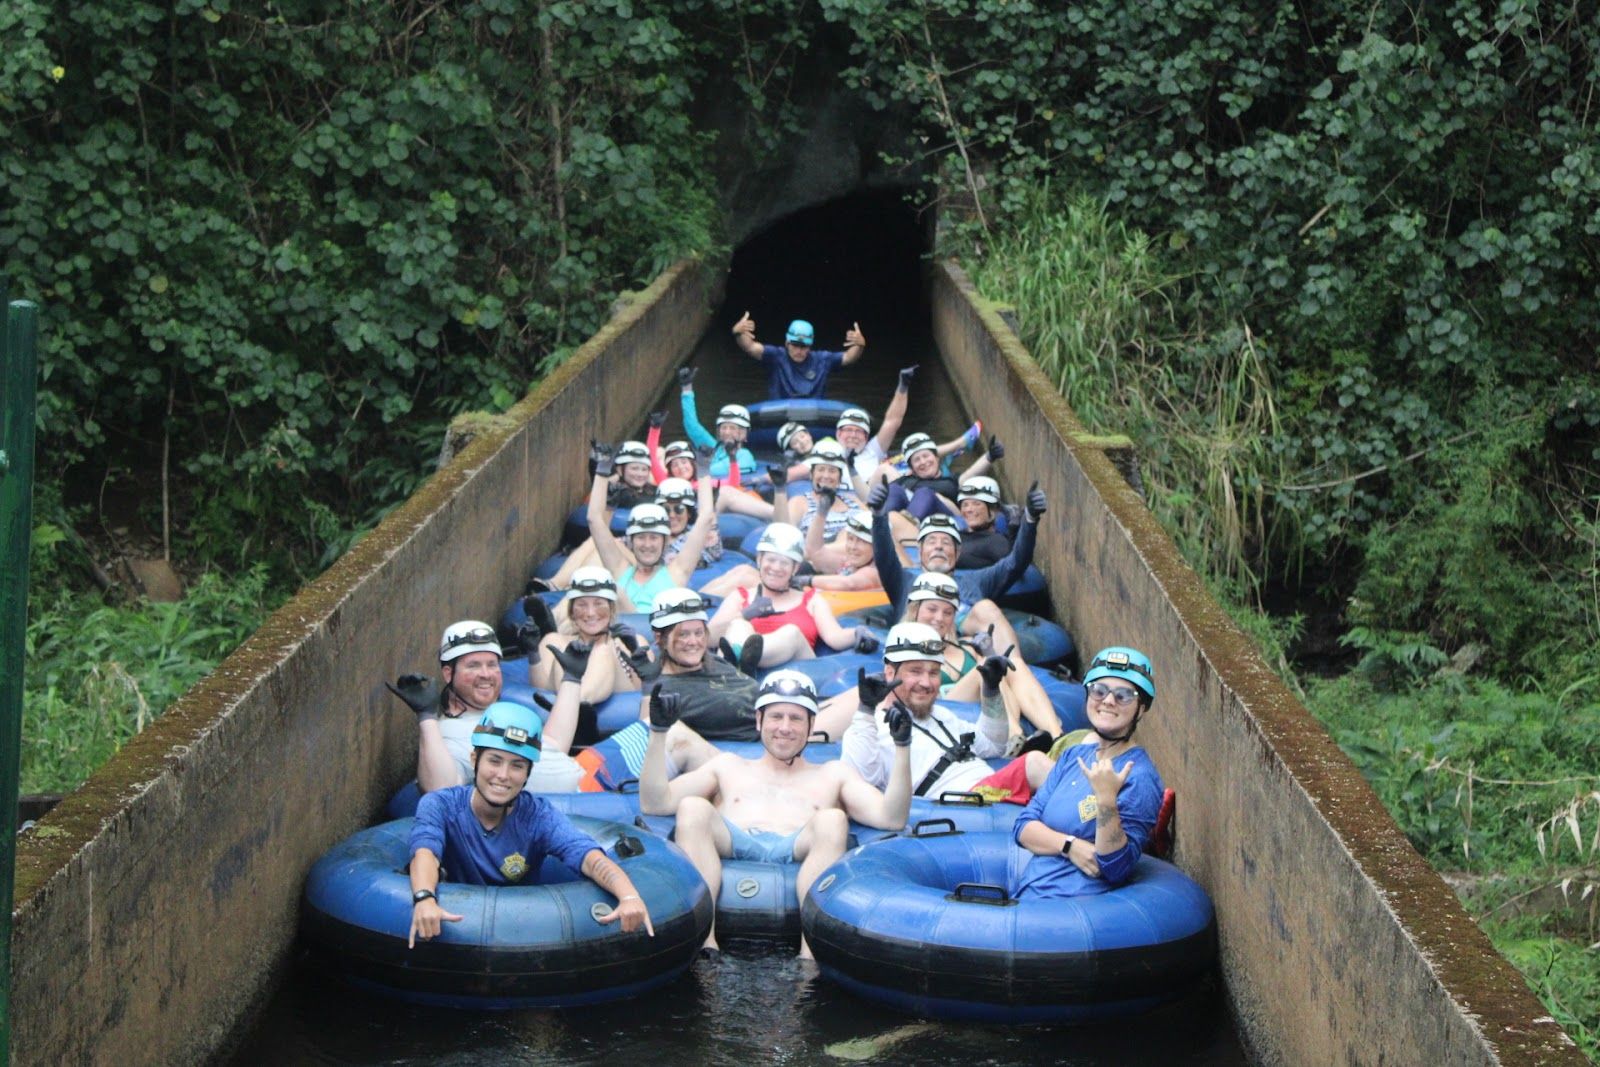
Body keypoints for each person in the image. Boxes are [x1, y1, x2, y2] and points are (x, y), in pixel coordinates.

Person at [639, 671, 912, 957]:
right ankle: (705, 944)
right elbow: (656, 803)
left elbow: (891, 818)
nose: (785, 727)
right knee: (692, 807)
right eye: (776, 716)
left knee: (833, 819)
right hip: (734, 838)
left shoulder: (834, 774)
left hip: (798, 843)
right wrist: (659, 732)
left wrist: (902, 746)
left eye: (795, 718)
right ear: (759, 721)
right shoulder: (728, 765)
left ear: (811, 725)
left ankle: (810, 954)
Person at [407, 702, 655, 947]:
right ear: (475, 760)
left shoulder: (539, 816)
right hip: (458, 931)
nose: (503, 775)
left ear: (527, 773)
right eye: (495, 761)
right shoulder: (440, 804)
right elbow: (426, 852)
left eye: (517, 765)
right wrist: (424, 897)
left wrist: (629, 895)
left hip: (524, 934)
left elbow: (589, 857)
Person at [869, 481, 1049, 719]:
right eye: (932, 542)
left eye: (946, 543)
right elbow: (884, 554)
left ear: (958, 553)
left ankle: (1015, 682)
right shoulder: (903, 580)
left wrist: (1030, 519)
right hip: (923, 663)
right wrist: (879, 515)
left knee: (986, 611)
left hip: (969, 657)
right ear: (920, 551)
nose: (939, 548)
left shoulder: (976, 580)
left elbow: (1015, 562)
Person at [1012, 647, 1164, 899]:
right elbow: (1023, 826)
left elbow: (1115, 867)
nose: (1108, 701)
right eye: (1099, 690)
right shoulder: (1074, 756)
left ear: (1142, 707)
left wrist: (1106, 801)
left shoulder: (1139, 777)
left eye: (1124, 695)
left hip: (1073, 907)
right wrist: (1069, 846)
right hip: (1031, 895)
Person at [841, 622, 1011, 797]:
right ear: (890, 673)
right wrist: (866, 709)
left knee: (1034, 764)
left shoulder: (942, 716)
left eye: (934, 673)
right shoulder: (870, 729)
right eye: (915, 671)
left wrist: (991, 690)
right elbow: (859, 785)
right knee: (1034, 762)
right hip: (963, 805)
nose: (926, 683)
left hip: (995, 794)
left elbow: (994, 745)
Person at [895, 571, 1061, 740]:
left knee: (1013, 662)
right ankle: (1012, 734)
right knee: (985, 668)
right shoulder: (900, 648)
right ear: (915, 609)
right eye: (932, 609)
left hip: (986, 709)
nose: (939, 618)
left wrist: (989, 652)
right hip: (939, 708)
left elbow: (1000, 681)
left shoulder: (967, 645)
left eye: (947, 612)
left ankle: (1057, 736)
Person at [707, 523, 881, 669]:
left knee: (791, 632)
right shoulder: (741, 596)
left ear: (795, 568)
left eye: (784, 563)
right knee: (738, 625)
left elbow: (835, 637)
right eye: (771, 560)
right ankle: (738, 664)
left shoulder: (811, 600)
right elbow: (707, 638)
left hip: (799, 671)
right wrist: (745, 615)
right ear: (759, 560)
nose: (776, 568)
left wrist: (857, 633)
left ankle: (746, 655)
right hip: (750, 673)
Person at [586, 443, 715, 613]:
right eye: (641, 537)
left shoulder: (676, 574)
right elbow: (594, 520)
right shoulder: (619, 569)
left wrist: (703, 469)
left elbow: (705, 518)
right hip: (617, 634)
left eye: (654, 538)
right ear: (631, 542)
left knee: (613, 590)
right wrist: (602, 469)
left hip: (648, 633)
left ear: (665, 541)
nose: (647, 545)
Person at [387, 620, 505, 793]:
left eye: (492, 664)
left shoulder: (513, 714)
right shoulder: (450, 735)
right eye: (473, 666)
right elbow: (441, 789)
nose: (486, 674)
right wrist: (426, 716)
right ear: (448, 674)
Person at [531, 567, 647, 704]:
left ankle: (577, 703)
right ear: (572, 612)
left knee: (602, 650)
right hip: (564, 698)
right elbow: (540, 689)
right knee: (564, 657)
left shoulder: (634, 642)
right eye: (582, 605)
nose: (590, 613)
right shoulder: (554, 641)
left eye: (598, 604)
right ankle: (576, 703)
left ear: (611, 608)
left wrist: (637, 656)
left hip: (618, 703)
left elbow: (642, 694)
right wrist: (533, 653)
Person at [730, 312, 867, 400]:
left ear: (810, 346)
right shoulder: (776, 357)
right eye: (795, 345)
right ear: (787, 343)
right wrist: (738, 332)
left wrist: (859, 345)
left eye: (804, 347)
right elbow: (750, 347)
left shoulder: (822, 360)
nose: (799, 350)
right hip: (779, 416)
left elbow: (848, 357)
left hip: (816, 417)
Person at [832, 364, 915, 482]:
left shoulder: (872, 451)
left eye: (859, 431)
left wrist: (903, 387)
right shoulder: (827, 451)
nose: (853, 435)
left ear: (866, 437)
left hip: (872, 496)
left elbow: (893, 421)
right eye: (848, 430)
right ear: (838, 434)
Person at [677, 368, 758, 483]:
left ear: (743, 433)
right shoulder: (714, 448)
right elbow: (692, 426)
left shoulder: (744, 455)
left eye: (732, 428)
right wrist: (686, 388)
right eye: (724, 427)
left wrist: (689, 469)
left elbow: (721, 470)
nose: (727, 432)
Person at [953, 475, 1018, 570]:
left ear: (993, 510)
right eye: (965, 505)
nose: (969, 509)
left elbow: (1014, 568)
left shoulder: (996, 541)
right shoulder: (954, 535)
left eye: (976, 504)